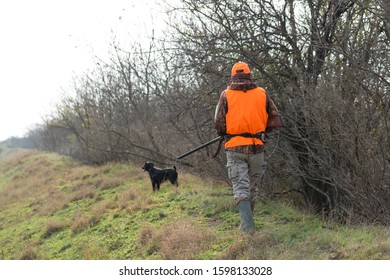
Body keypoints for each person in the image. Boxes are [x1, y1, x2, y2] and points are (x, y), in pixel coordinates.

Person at [214, 61, 282, 233]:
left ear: (232, 77)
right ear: (250, 75)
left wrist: (224, 133)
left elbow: (219, 123)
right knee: (252, 187)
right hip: (257, 147)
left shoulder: (226, 94)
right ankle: (248, 226)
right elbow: (274, 118)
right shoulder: (262, 93)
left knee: (240, 187)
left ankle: (247, 229)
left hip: (235, 148)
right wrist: (263, 132)